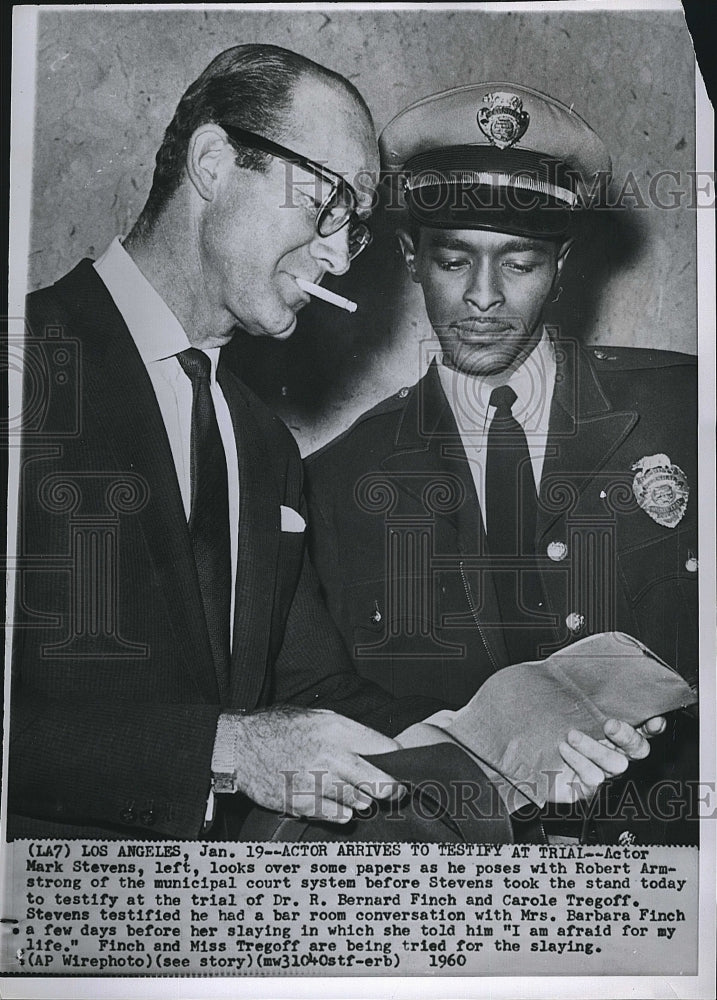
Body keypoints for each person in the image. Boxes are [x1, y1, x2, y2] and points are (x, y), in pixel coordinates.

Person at [11, 52, 659, 843]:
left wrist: (507, 741)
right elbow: (224, 740)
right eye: (326, 206)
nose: (335, 253)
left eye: (354, 227)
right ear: (214, 164)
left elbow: (315, 685)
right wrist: (224, 748)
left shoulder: (259, 443)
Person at [306, 83, 698, 844]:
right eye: (453, 260)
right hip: (466, 895)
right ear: (409, 257)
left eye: (518, 264)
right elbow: (341, 707)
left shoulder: (686, 412)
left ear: (561, 265)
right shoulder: (336, 483)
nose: (481, 298)